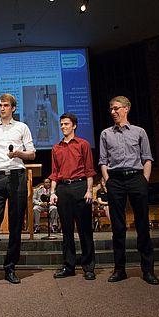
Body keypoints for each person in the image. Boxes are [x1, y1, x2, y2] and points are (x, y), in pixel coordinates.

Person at [99, 96, 159, 285]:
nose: (113, 112)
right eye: (111, 109)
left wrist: (144, 180)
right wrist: (108, 181)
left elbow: (147, 158)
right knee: (118, 227)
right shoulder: (105, 134)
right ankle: (120, 270)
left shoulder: (139, 132)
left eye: (116, 108)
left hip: (136, 178)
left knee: (142, 225)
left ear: (126, 109)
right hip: (115, 180)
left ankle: (148, 270)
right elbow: (103, 160)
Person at [0, 93, 36, 285]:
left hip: (17, 177)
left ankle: (10, 268)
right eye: (0, 105)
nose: (2, 108)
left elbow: (32, 154)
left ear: (13, 108)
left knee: (16, 225)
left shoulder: (22, 127)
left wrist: (18, 153)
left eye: (6, 105)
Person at [50, 112, 96, 280]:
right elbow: (55, 173)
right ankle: (68, 266)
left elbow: (89, 170)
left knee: (85, 230)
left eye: (66, 124)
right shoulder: (56, 147)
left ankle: (88, 267)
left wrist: (89, 190)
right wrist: (53, 192)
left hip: (80, 186)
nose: (63, 127)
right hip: (63, 189)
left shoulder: (83, 144)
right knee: (67, 230)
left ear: (74, 126)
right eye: (61, 124)